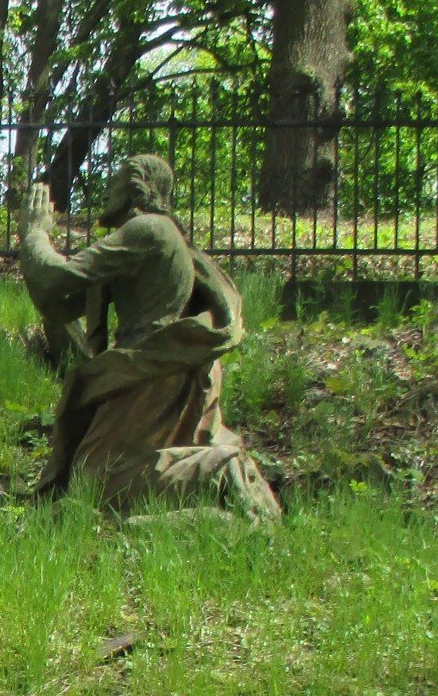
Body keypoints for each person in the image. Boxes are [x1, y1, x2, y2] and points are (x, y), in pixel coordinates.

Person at [20, 155, 280, 518]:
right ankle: (203, 474)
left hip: (150, 367)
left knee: (96, 483)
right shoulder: (145, 238)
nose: (106, 190)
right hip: (144, 367)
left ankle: (217, 468)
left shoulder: (149, 230)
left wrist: (34, 232)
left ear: (135, 188)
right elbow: (59, 304)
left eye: (114, 182)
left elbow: (55, 277)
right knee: (90, 478)